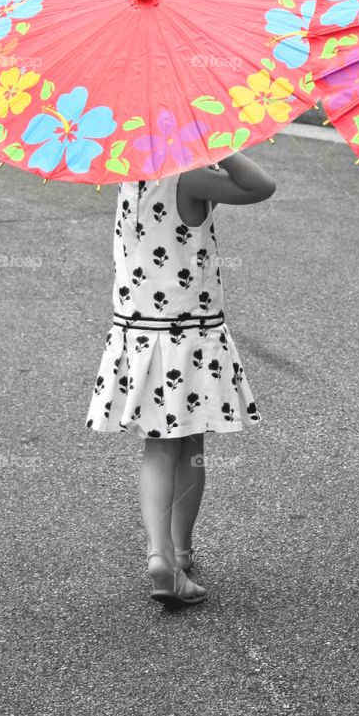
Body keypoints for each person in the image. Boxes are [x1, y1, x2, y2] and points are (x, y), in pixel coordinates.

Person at [86, 153, 275, 607]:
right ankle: (177, 553)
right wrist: (222, 147)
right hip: (189, 335)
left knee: (158, 446)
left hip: (139, 332)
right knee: (191, 447)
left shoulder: (127, 173)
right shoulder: (192, 176)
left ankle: (160, 554)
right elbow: (261, 186)